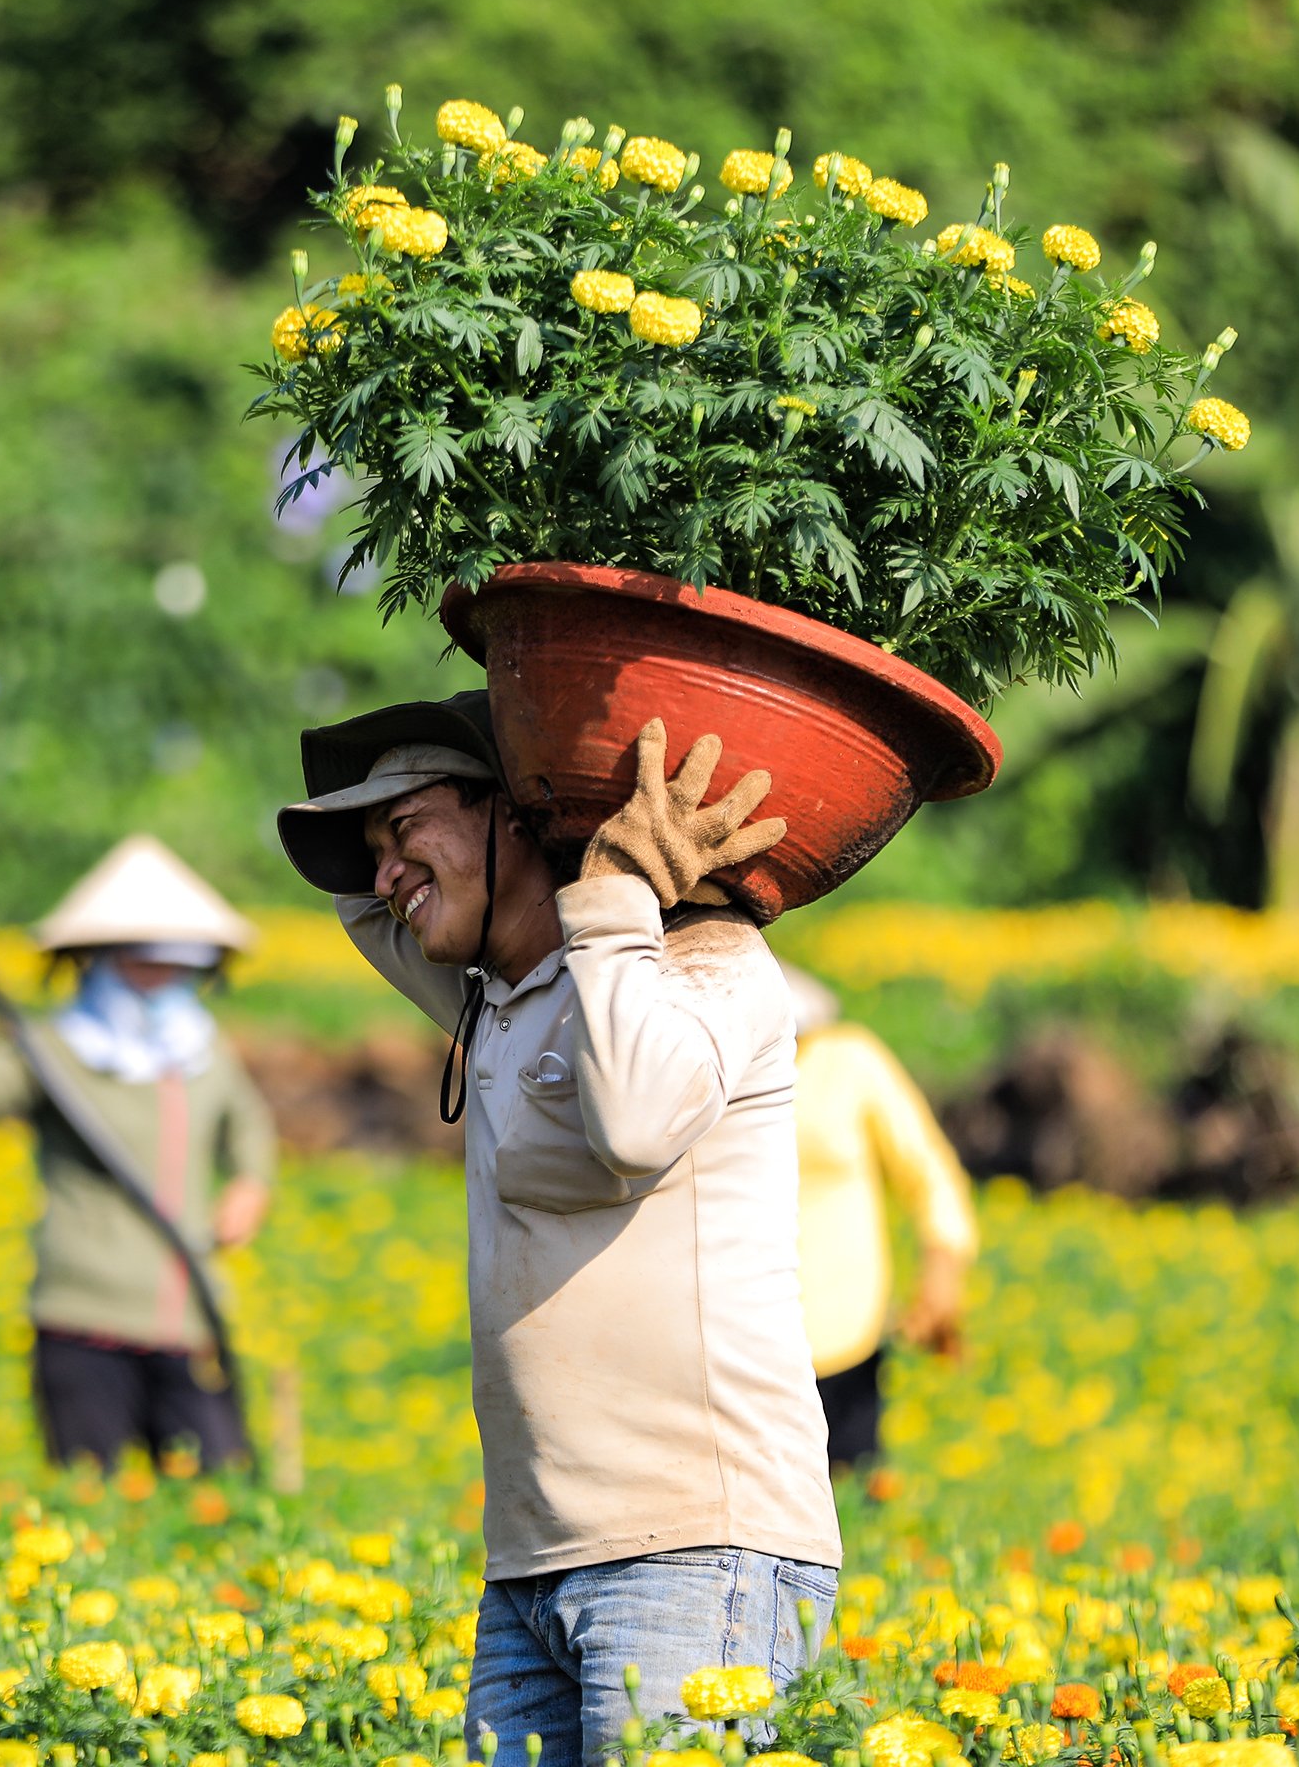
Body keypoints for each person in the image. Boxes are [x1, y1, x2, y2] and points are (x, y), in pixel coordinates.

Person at [276, 690, 839, 1767]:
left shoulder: (705, 969)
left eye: (404, 833)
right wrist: (492, 791)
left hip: (693, 1552)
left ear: (513, 816)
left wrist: (612, 878)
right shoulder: (497, 1002)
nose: (383, 874)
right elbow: (362, 908)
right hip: (532, 1564)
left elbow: (632, 1124)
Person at [0, 834, 277, 1474]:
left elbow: (249, 1126)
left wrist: (250, 1186)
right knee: (88, 1500)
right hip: (83, 1321)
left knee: (219, 1494)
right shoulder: (54, 1050)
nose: (162, 980)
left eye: (177, 965)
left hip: (188, 1316)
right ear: (97, 960)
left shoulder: (204, 1050)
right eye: (143, 963)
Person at [780, 962, 977, 1476]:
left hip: (845, 1323)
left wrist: (942, 1269)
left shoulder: (850, 1061)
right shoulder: (718, 1070)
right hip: (745, 1332)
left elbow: (928, 1171)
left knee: (849, 1486)